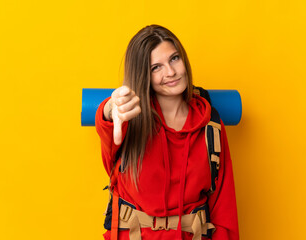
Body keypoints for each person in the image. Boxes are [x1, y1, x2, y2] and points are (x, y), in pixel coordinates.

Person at [95, 24, 239, 240]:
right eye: (156, 67)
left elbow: (223, 207)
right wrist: (110, 108)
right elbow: (108, 121)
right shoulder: (128, 120)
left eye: (174, 59)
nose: (171, 72)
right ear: (143, 74)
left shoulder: (210, 124)